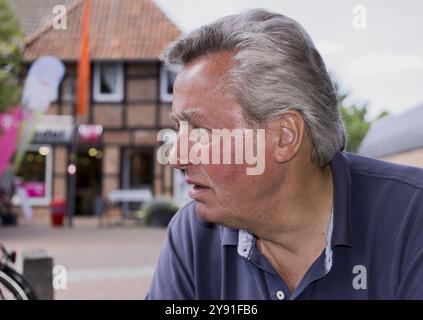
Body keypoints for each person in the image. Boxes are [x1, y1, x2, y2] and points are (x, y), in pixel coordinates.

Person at [146, 9, 423, 299]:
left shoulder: (412, 220)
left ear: (284, 136)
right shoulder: (194, 235)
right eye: (179, 128)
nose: (175, 157)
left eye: (200, 132)